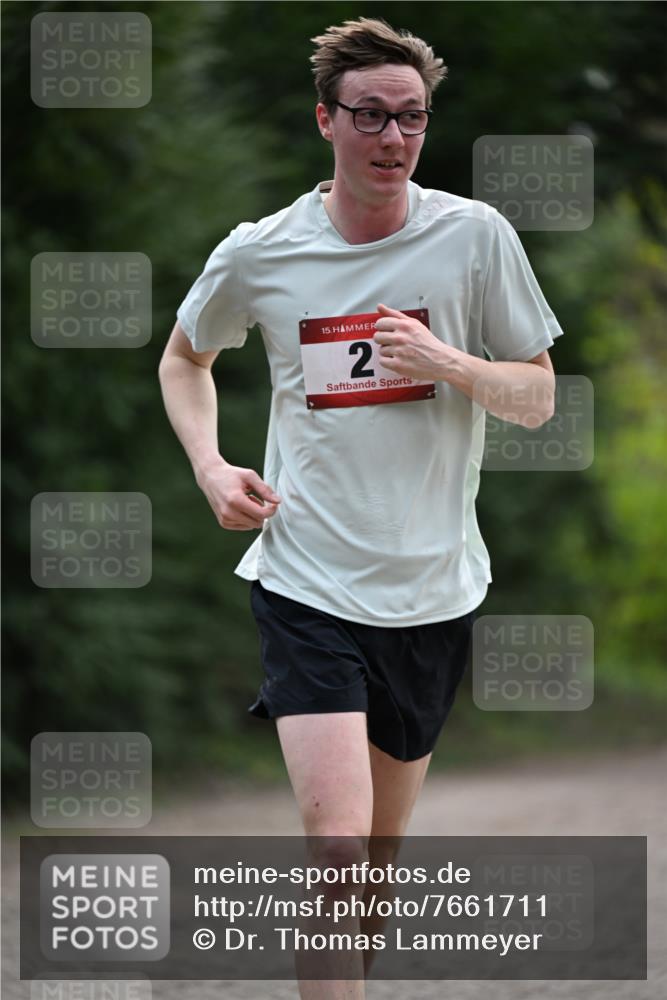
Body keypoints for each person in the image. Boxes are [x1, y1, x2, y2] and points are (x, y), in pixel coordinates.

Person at [158, 16, 563, 997]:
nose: (392, 137)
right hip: (307, 580)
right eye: (371, 116)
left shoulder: (474, 237)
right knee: (336, 847)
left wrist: (447, 362)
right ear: (325, 122)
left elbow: (538, 397)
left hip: (431, 589)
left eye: (411, 118)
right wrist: (212, 467)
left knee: (374, 864)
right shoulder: (262, 252)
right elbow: (184, 358)